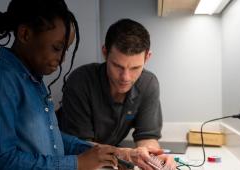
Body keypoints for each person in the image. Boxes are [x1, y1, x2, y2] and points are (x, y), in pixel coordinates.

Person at [0, 0, 119, 169]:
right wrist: (76, 163)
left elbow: (51, 139)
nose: (62, 59)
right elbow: (0, 161)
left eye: (65, 50)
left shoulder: (33, 82)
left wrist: (101, 152)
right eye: (56, 48)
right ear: (25, 34)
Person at [58, 18, 176, 169]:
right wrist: (125, 155)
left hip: (110, 158)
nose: (125, 78)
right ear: (105, 53)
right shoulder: (80, 81)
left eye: (135, 68)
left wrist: (154, 158)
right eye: (117, 66)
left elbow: (147, 137)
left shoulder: (148, 83)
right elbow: (80, 146)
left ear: (147, 57)